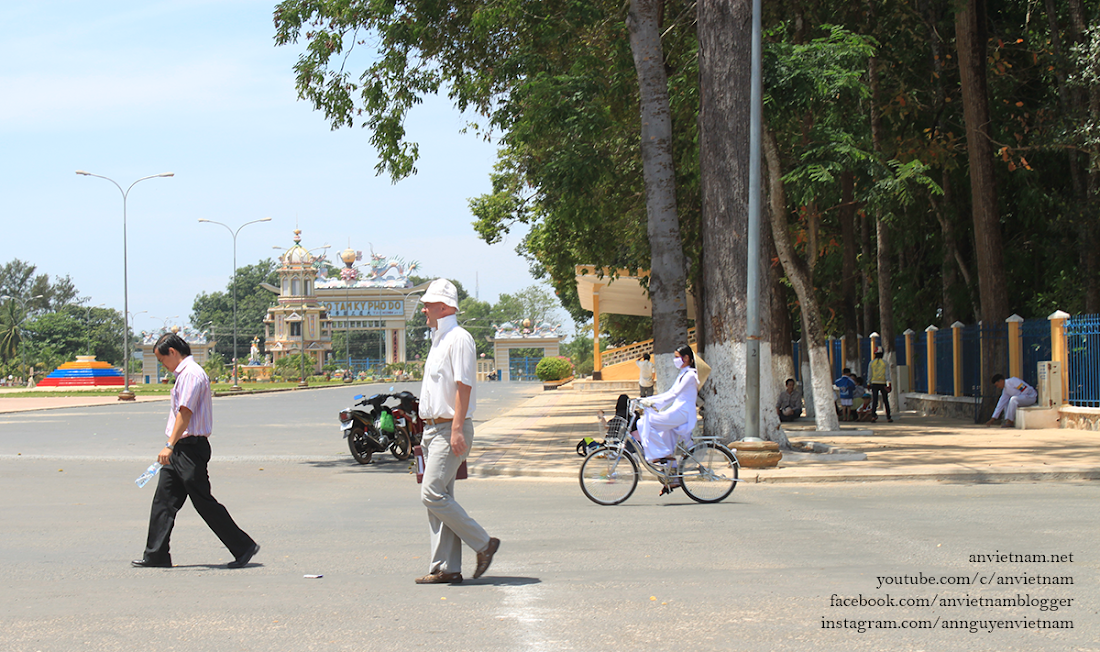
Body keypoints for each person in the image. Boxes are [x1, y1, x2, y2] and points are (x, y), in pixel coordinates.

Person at [132, 333, 259, 569]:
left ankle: (243, 546)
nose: (163, 366)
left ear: (172, 352)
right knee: (164, 501)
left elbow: (185, 412)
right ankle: (156, 554)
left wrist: (169, 445)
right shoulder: (185, 375)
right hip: (180, 447)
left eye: (162, 360)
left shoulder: (191, 374)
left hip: (189, 449)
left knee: (203, 501)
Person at [415, 278, 499, 585]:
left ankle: (483, 543)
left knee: (432, 493)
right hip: (433, 429)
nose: (424, 309)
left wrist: (456, 429)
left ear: (443, 306)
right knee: (441, 499)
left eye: (428, 304)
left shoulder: (459, 338)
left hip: (450, 428)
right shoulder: (439, 338)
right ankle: (446, 567)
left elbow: (464, 386)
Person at [637, 345, 699, 481]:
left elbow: (674, 394)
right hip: (677, 410)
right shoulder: (683, 374)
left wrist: (653, 403)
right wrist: (647, 400)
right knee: (666, 438)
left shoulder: (690, 375)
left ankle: (660, 454)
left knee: (643, 422)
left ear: (686, 358)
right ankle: (673, 480)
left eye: (677, 357)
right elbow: (670, 393)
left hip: (683, 412)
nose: (675, 360)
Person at [865, 349, 892, 422]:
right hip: (882, 383)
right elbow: (887, 374)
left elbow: (869, 374)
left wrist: (868, 383)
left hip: (874, 383)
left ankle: (873, 416)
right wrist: (889, 383)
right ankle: (888, 417)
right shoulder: (885, 363)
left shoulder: (871, 363)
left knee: (875, 400)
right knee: (885, 400)